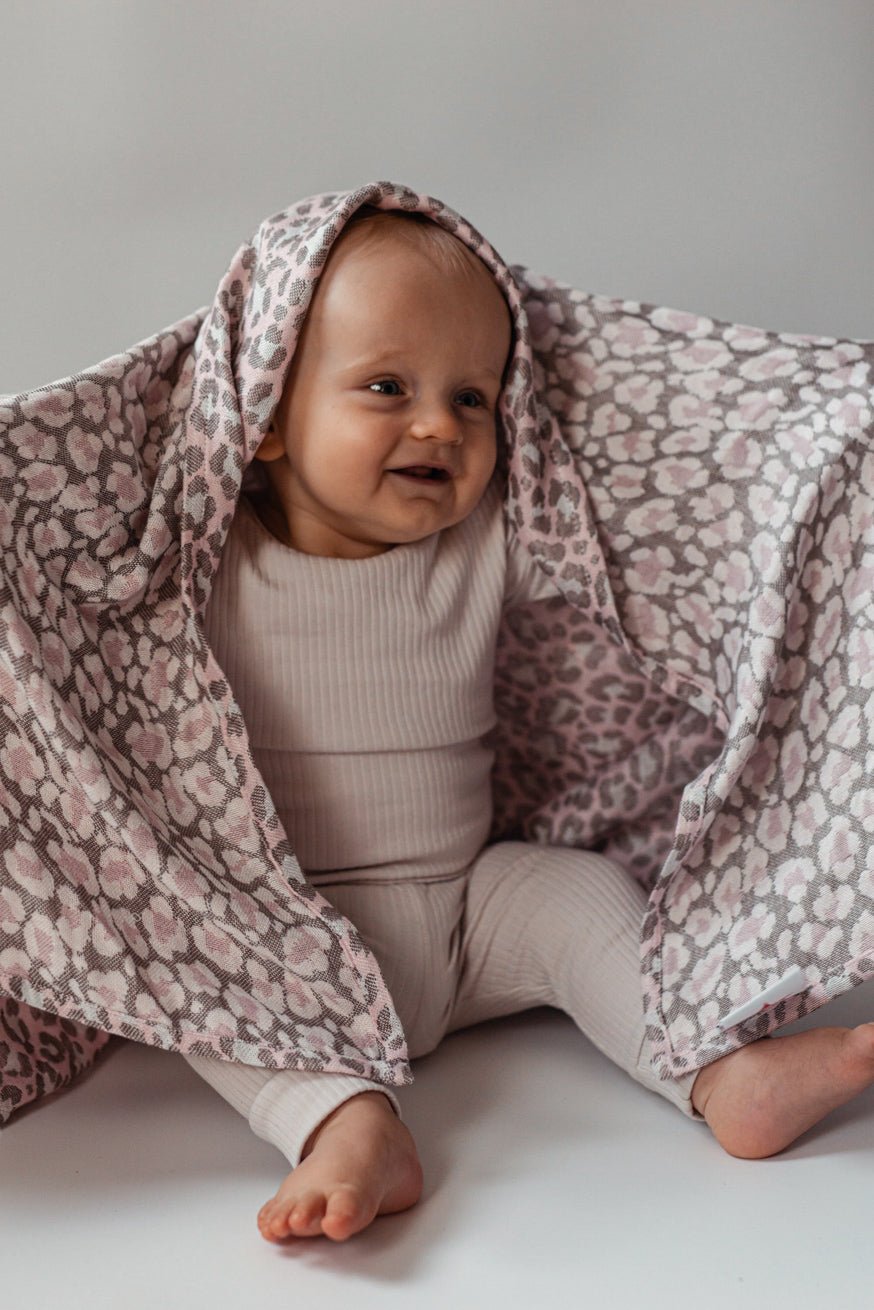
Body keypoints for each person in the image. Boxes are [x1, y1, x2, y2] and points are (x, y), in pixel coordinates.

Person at [179, 207, 874, 1243]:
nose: (440, 426)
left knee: (571, 895)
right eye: (387, 387)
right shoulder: (205, 566)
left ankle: (717, 1071)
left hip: (470, 912)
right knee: (193, 962)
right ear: (265, 414)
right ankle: (343, 1117)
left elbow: (654, 508)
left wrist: (820, 446)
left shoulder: (489, 540)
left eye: (472, 396)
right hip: (291, 936)